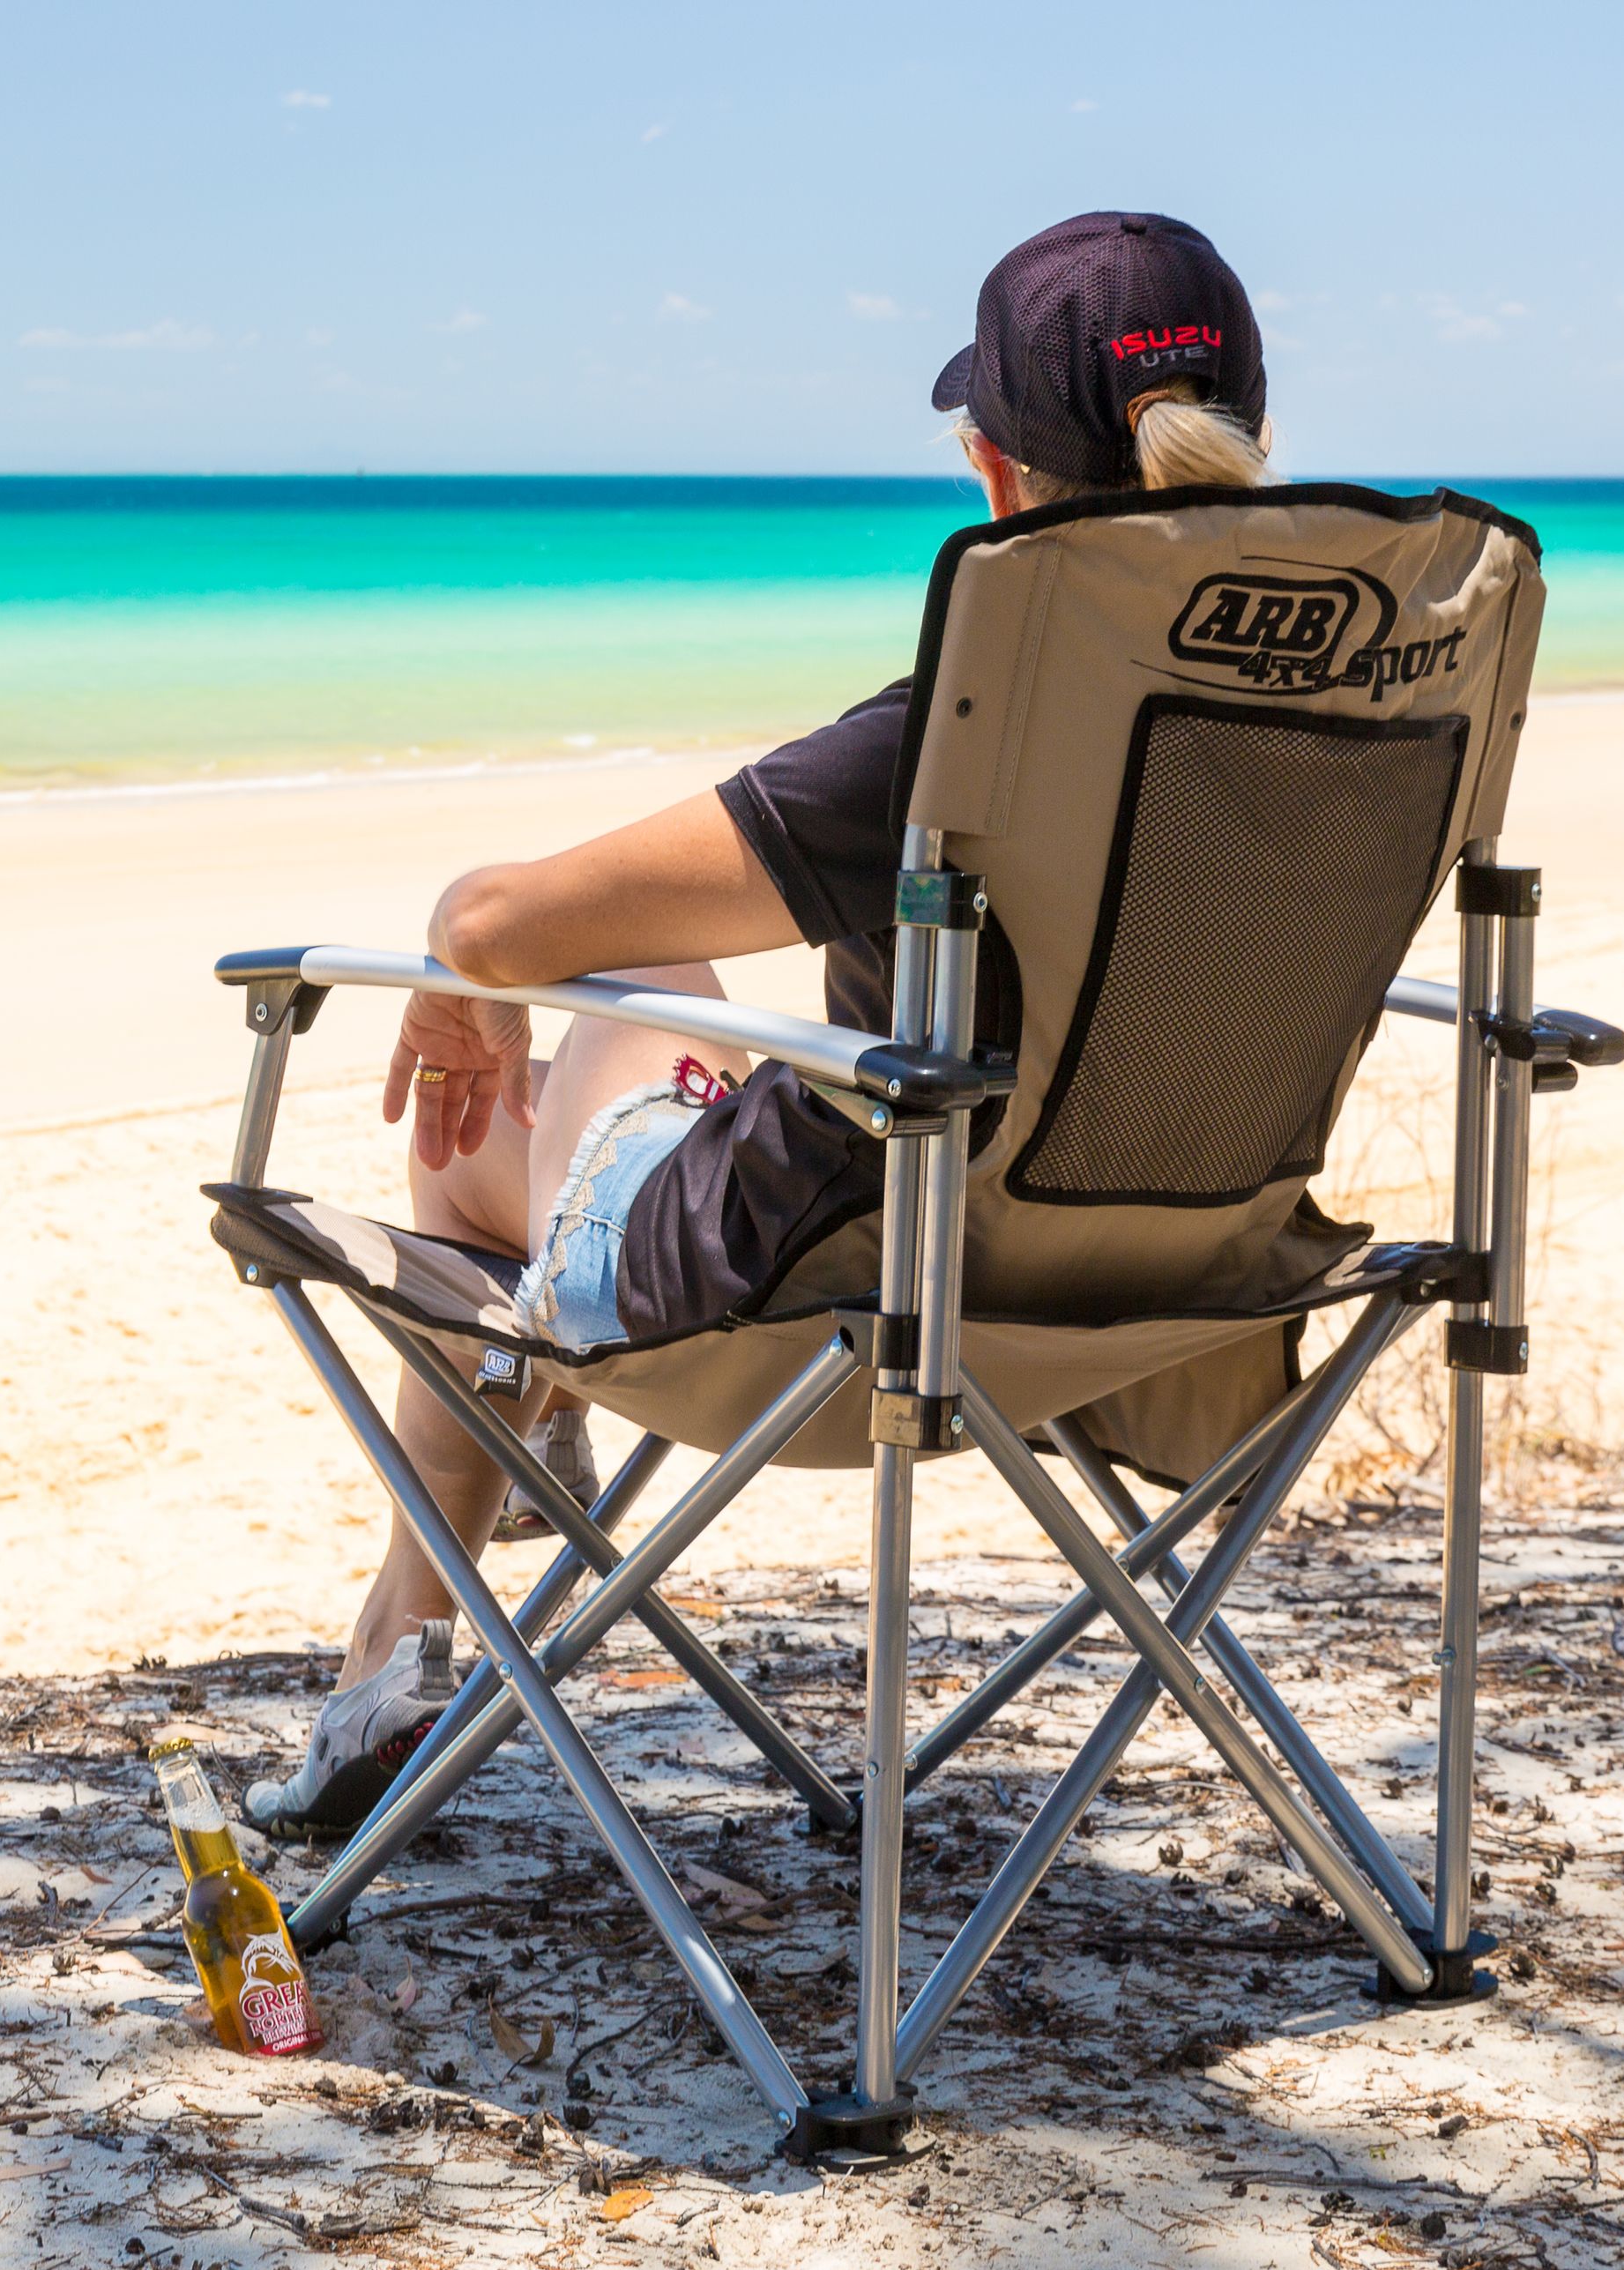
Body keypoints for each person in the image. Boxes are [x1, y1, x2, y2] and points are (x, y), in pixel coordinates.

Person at [245, 211, 1280, 1835]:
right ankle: (466, 1516)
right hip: (1172, 1287)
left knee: (500, 1105)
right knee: (658, 1010)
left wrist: (458, 965)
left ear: (995, 477)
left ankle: (403, 1635)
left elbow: (506, 922)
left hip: (825, 1313)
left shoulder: (970, 732)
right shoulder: (1331, 714)